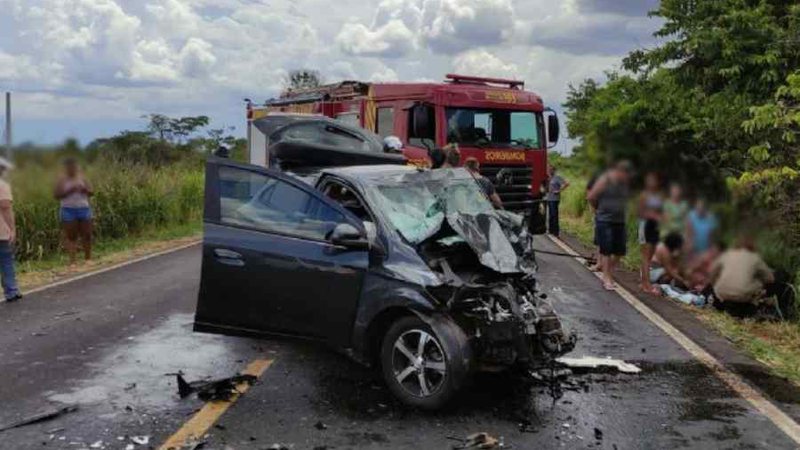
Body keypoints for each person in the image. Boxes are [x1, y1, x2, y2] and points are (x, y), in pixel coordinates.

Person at [588, 160, 631, 290]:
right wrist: (598, 209)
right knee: (606, 250)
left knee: (619, 251)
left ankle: (608, 272)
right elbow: (591, 196)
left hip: (620, 220)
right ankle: (607, 278)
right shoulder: (605, 180)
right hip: (604, 219)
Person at [710, 235, 775, 317]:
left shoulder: (727, 254)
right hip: (743, 296)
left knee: (720, 279)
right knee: (759, 283)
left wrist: (714, 284)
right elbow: (770, 278)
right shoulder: (755, 258)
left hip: (722, 294)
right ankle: (756, 307)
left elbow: (713, 272)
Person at [54, 158, 94, 265]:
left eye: (74, 167)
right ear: (66, 168)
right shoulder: (62, 180)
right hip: (68, 209)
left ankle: (88, 259)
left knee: (87, 234)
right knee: (71, 236)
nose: (72, 169)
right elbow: (56, 195)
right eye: (69, 167)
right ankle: (73, 261)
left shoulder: (83, 178)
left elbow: (91, 192)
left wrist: (84, 190)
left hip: (83, 208)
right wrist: (69, 191)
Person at [637, 172, 663, 294]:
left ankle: (645, 282)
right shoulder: (644, 195)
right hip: (646, 226)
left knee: (650, 255)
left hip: (655, 227)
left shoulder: (660, 195)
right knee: (646, 256)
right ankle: (645, 283)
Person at [0, 158, 21, 302]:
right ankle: (11, 291)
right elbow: (6, 207)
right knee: (6, 261)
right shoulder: (2, 185)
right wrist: (12, 229)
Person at [545, 165, 569, 237]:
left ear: (554, 170)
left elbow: (566, 183)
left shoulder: (557, 177)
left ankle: (556, 232)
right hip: (549, 198)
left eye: (551, 170)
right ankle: (550, 230)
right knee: (550, 215)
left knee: (554, 215)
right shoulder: (548, 178)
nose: (549, 171)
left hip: (555, 199)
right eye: (549, 169)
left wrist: (559, 190)